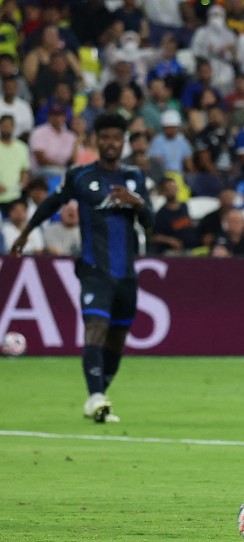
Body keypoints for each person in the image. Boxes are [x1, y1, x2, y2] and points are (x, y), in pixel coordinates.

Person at [9, 113, 152, 424]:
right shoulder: (80, 176)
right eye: (105, 137)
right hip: (93, 269)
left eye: (116, 137)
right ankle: (96, 397)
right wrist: (26, 232)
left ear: (123, 141)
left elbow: (150, 224)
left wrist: (137, 203)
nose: (111, 143)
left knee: (117, 338)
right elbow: (52, 203)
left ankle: (98, 395)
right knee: (95, 329)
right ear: (96, 140)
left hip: (126, 273)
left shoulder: (135, 178)